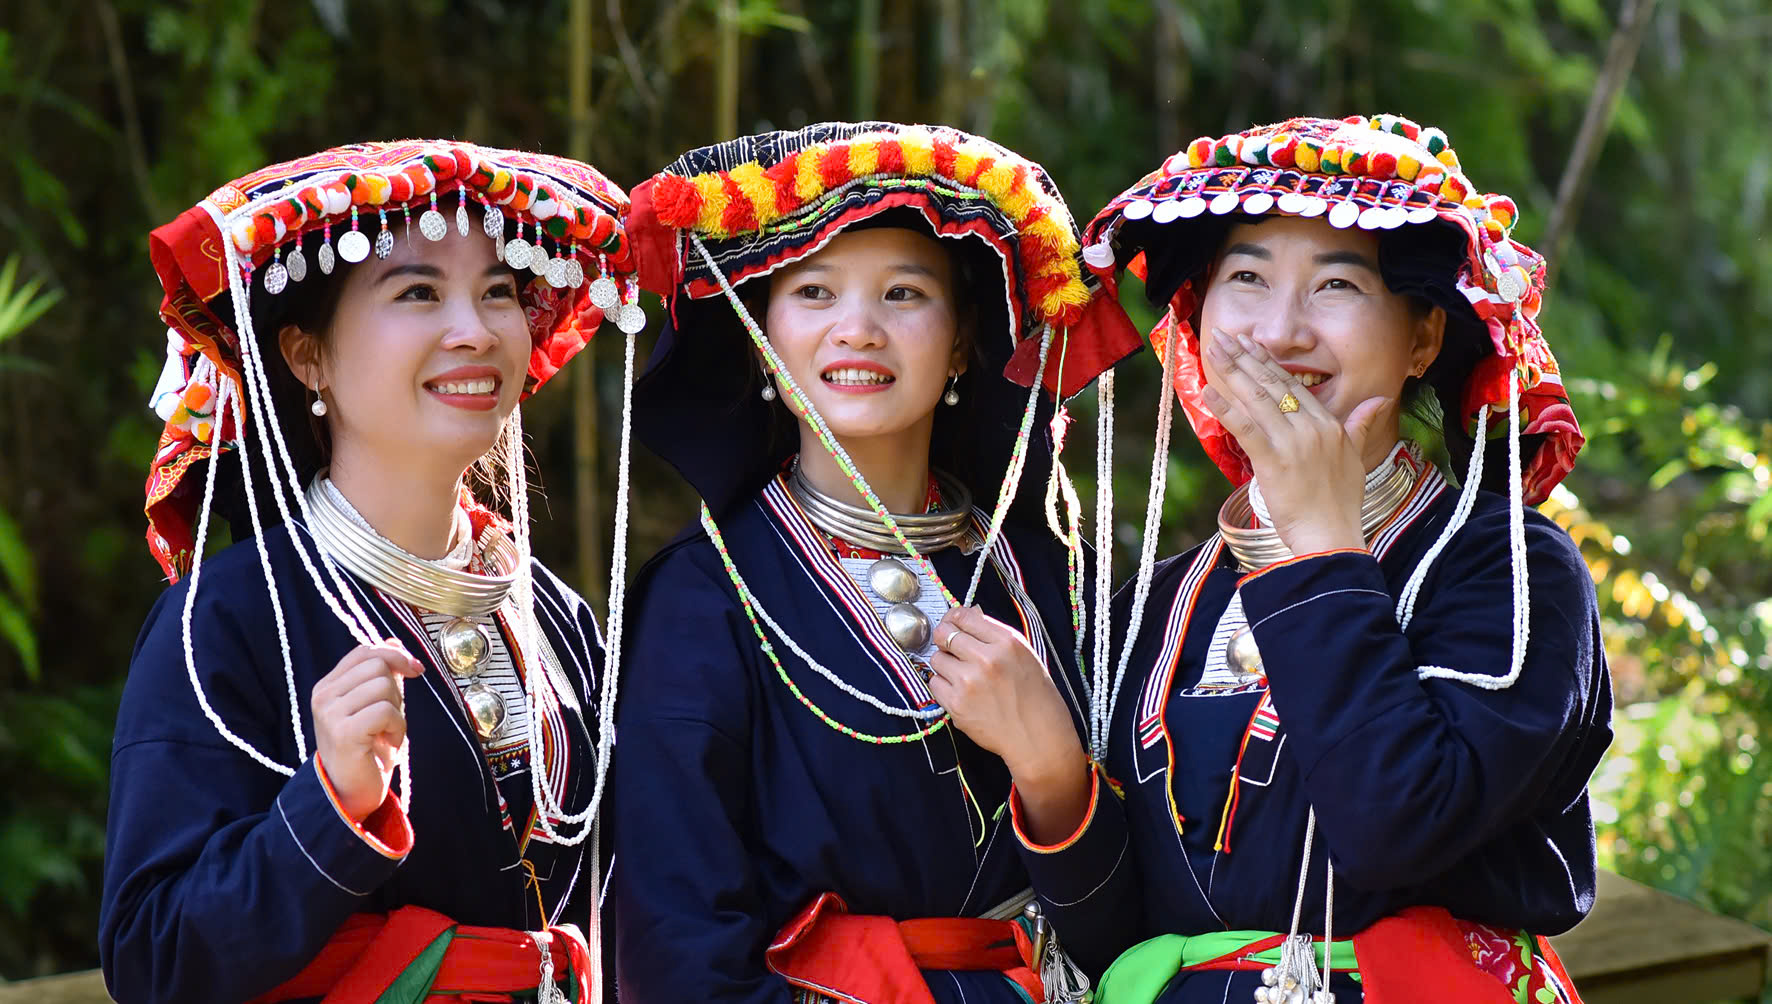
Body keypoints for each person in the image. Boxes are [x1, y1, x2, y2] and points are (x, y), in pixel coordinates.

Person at [1015, 115, 1612, 1003]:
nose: (1281, 332)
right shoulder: (1159, 600)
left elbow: (1396, 828)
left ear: (1423, 340)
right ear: (1196, 319)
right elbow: (1116, 929)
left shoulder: (1511, 571)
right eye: (1246, 277)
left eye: (1336, 285)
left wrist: (1326, 549)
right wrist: (1048, 773)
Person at [607, 121, 1140, 1003]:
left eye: (903, 293)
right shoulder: (706, 597)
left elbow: (1126, 925)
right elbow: (676, 952)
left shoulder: (1040, 575)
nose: (857, 329)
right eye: (813, 291)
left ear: (963, 341)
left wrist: (1052, 771)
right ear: (762, 337)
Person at [100, 141, 644, 1003]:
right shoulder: (227, 620)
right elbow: (152, 959)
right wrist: (333, 802)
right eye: (418, 292)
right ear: (307, 356)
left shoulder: (558, 617)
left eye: (498, 291)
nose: (474, 329)